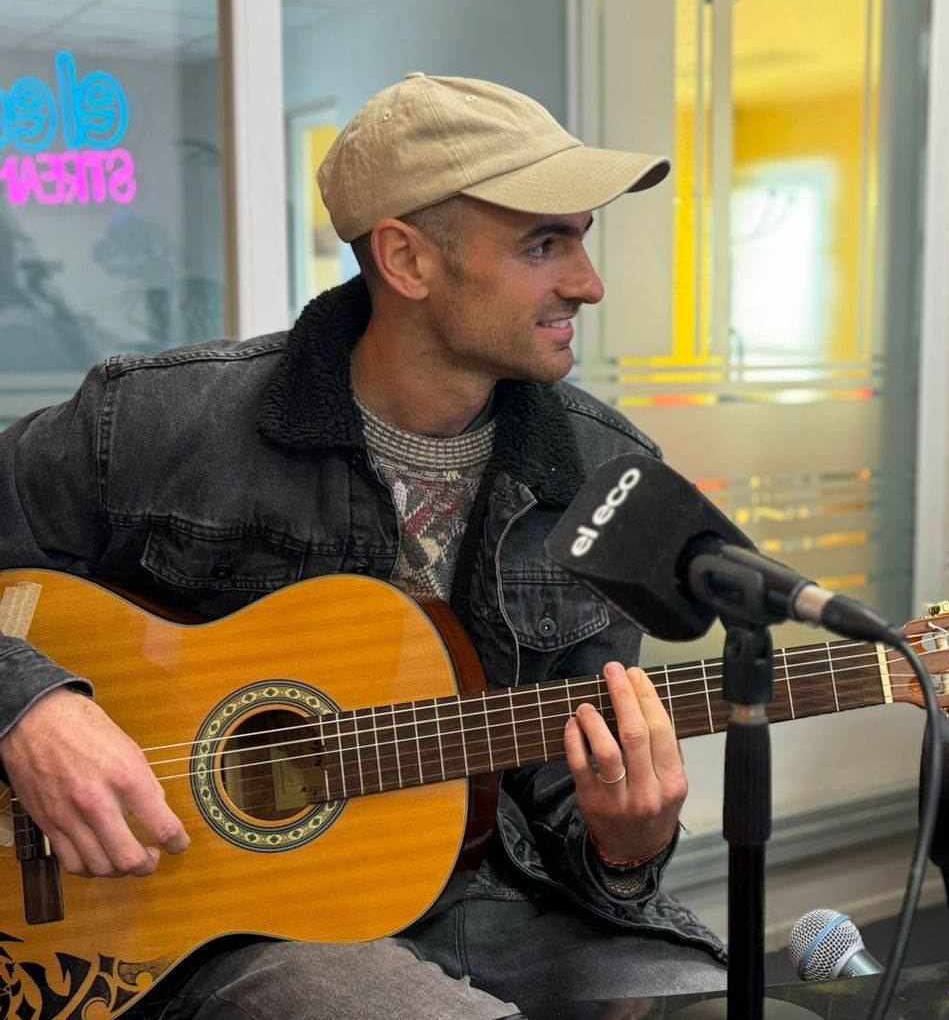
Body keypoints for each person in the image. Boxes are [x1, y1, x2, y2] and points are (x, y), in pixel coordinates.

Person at [0, 72, 726, 1018]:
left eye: (583, 239)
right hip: (222, 916)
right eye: (544, 244)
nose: (587, 283)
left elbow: (567, 802)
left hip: (508, 906)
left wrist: (626, 847)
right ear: (407, 260)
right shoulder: (152, 422)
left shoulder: (607, 475)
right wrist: (29, 709)